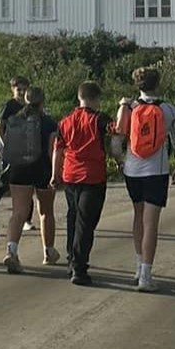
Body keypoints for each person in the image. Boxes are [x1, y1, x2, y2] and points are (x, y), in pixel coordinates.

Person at [114, 66, 175, 293]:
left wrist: (120, 161)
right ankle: (146, 275)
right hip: (157, 172)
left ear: (137, 85)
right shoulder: (169, 110)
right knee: (150, 223)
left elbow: (116, 140)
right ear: (158, 83)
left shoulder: (129, 108)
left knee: (138, 217)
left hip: (132, 172)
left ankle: (138, 268)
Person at [52, 81, 118, 287]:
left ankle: (71, 259)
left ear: (79, 97)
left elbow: (58, 150)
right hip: (92, 177)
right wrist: (124, 108)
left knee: (73, 217)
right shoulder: (99, 119)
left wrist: (55, 175)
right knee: (86, 223)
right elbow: (117, 130)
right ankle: (79, 268)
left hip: (70, 176)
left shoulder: (65, 121)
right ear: (95, 98)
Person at [0, 86, 60, 274]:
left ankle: (11, 251)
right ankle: (48, 252)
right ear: (43, 101)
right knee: (46, 212)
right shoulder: (49, 122)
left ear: (25, 100)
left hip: (18, 169)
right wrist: (56, 173)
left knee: (18, 212)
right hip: (42, 169)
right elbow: (52, 151)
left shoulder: (14, 119)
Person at [0, 76, 32, 229]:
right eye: (19, 90)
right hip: (10, 152)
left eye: (24, 90)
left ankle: (26, 219)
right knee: (3, 184)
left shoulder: (30, 107)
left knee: (26, 183)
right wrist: (5, 144)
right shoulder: (9, 106)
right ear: (13, 90)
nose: (21, 93)